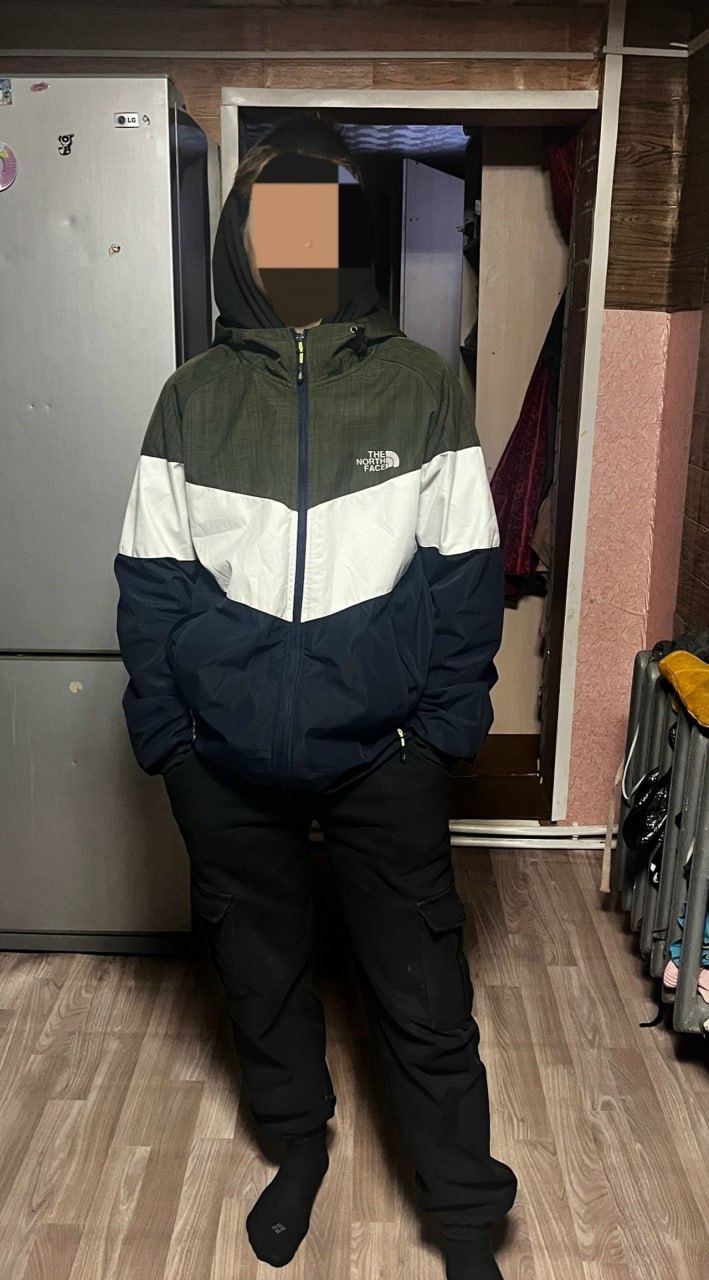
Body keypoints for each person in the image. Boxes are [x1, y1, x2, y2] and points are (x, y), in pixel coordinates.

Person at [114, 115, 518, 1279]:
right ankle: (297, 1145)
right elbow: (150, 581)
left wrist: (441, 732)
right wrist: (171, 740)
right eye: (272, 222)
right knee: (260, 970)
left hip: (383, 751)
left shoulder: (421, 387)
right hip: (223, 759)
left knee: (422, 987)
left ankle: (463, 1216)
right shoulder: (190, 399)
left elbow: (465, 574)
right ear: (241, 243)